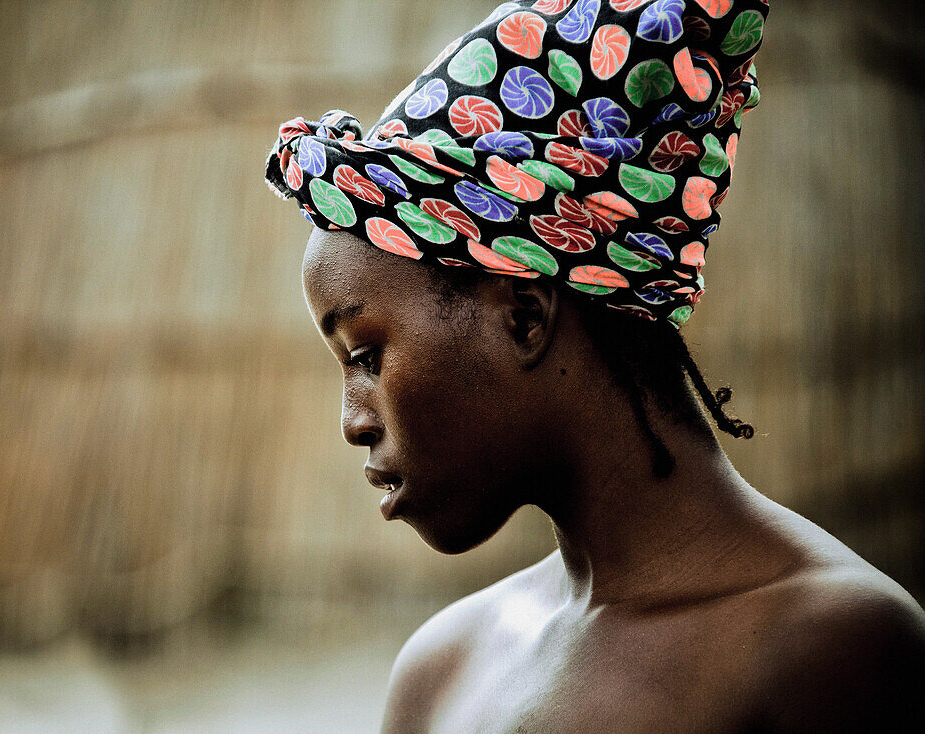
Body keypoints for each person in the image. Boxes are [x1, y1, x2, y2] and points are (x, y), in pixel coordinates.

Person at [266, 1, 925, 731]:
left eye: (365, 355)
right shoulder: (440, 672)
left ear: (524, 316)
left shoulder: (836, 649)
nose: (353, 422)